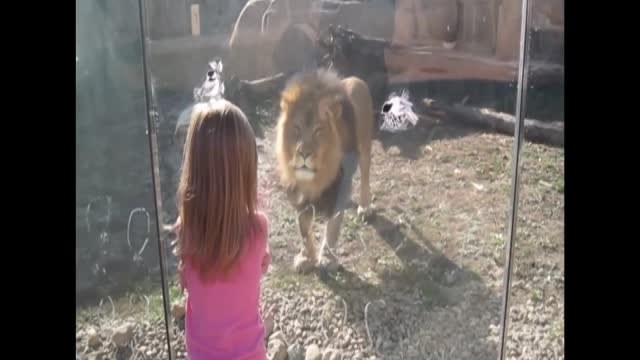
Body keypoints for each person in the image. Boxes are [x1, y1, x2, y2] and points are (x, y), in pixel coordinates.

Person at [173, 99, 271, 360]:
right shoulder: (258, 228)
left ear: (194, 169)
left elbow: (186, 279)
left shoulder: (185, 230)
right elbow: (261, 266)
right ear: (247, 170)